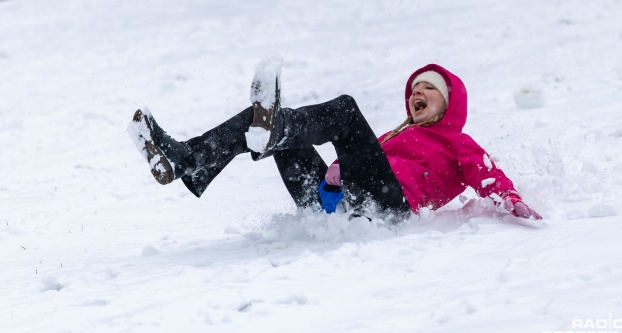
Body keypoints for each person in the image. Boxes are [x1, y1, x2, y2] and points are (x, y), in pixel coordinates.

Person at [128, 54, 541, 221]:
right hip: (338, 210)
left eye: (429, 88)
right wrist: (331, 184)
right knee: (264, 125)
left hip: (390, 207)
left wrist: (514, 202)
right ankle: (186, 161)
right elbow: (350, 171)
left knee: (343, 110)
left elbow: (486, 174)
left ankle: (276, 128)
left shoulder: (457, 142)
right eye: (414, 88)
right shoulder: (393, 136)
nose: (417, 92)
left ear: (449, 103)